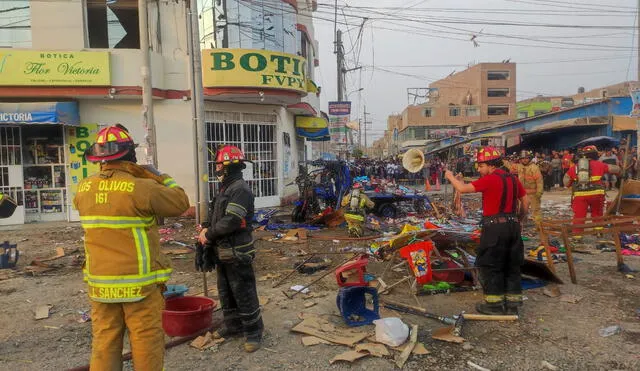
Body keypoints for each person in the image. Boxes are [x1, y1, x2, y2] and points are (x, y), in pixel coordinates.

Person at [74, 125, 190, 370]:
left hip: (101, 283)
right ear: (129, 154)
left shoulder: (83, 188)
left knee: (105, 340)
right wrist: (158, 175)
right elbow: (180, 202)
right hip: (138, 284)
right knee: (146, 340)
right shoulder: (142, 188)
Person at [445, 147, 529, 315]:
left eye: (481, 166)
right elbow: (525, 201)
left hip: (494, 228)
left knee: (491, 265)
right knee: (512, 265)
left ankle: (494, 306)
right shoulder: (513, 179)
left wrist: (450, 177)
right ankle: (513, 305)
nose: (479, 170)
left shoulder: (490, 179)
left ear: (491, 165)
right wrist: (519, 219)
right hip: (512, 226)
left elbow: (462, 189)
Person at [197, 145, 264, 353]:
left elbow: (232, 220)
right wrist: (206, 227)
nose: (216, 168)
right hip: (223, 249)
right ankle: (233, 326)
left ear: (226, 166)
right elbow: (216, 212)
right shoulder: (226, 187)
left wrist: (209, 234)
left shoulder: (240, 189)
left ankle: (254, 332)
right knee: (226, 290)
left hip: (237, 250)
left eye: (218, 164)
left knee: (243, 290)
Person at [564, 145, 621, 235]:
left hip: (580, 196)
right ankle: (598, 233)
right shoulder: (600, 164)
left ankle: (577, 237)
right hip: (597, 195)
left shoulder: (575, 167)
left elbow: (566, 182)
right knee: (597, 214)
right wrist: (620, 169)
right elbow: (616, 169)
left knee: (579, 216)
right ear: (595, 154)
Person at [514, 150, 543, 226]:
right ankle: (523, 225)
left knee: (536, 211)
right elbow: (509, 166)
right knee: (522, 211)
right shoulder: (519, 166)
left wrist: (539, 193)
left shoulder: (534, 167)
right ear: (520, 159)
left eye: (526, 158)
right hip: (522, 194)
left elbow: (539, 181)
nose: (524, 160)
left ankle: (539, 226)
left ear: (529, 158)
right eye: (523, 158)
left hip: (533, 194)